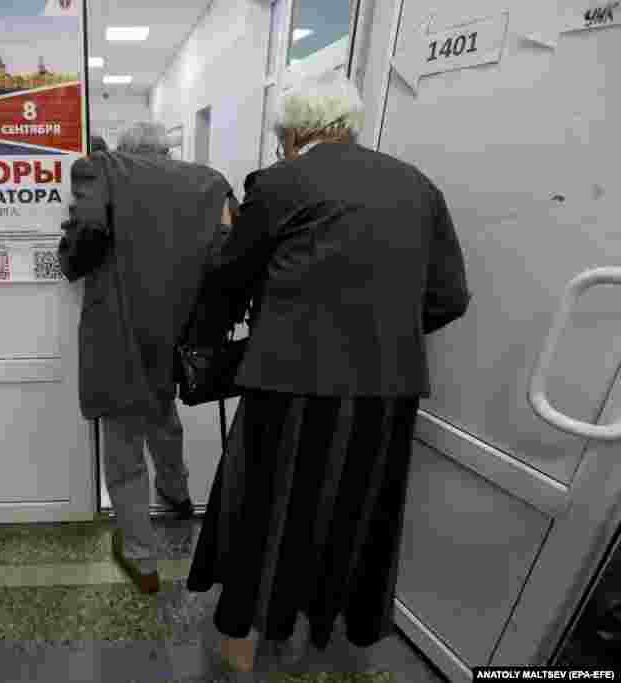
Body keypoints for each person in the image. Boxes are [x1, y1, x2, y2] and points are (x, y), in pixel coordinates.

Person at [185, 73, 470, 671]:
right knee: (354, 512)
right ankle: (325, 630)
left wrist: (204, 346)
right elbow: (448, 297)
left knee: (262, 509)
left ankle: (241, 641)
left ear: (293, 133)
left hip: (289, 382)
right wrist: (378, 335)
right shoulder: (417, 185)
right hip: (387, 389)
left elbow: (230, 277)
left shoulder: (280, 182)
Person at [59, 121, 234, 594]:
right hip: (176, 332)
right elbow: (225, 255)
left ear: (126, 151)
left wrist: (67, 252)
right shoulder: (210, 182)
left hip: (117, 333)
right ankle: (177, 499)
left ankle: (142, 559)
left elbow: (85, 240)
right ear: (166, 151)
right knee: (161, 411)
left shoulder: (100, 169)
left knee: (123, 448)